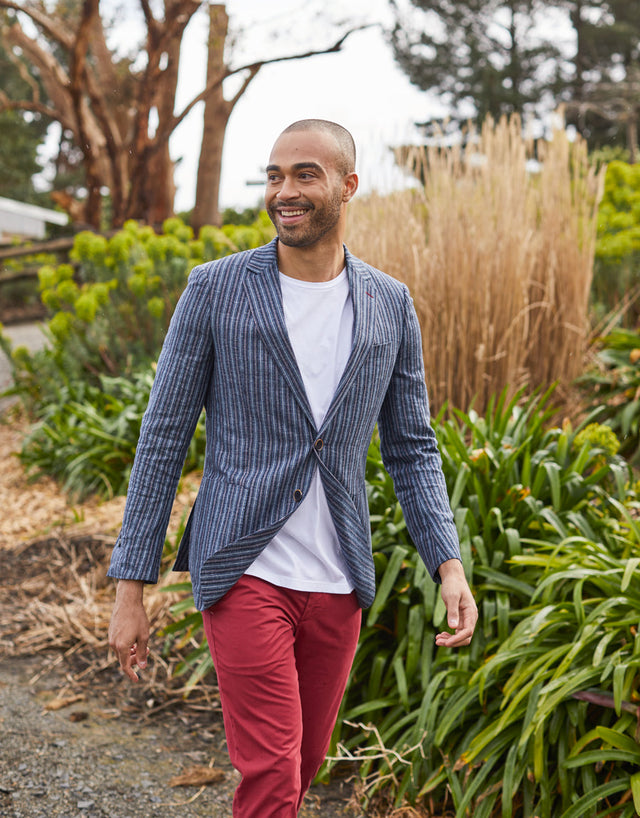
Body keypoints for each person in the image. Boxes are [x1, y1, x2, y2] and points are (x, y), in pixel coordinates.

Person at [108, 119, 478, 818]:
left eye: (305, 174)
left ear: (347, 185)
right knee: (273, 771)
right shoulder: (215, 289)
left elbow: (412, 446)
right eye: (275, 176)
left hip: (339, 579)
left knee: (302, 764)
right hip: (244, 567)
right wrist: (132, 586)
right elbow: (163, 439)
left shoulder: (390, 304)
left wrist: (447, 564)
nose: (285, 191)